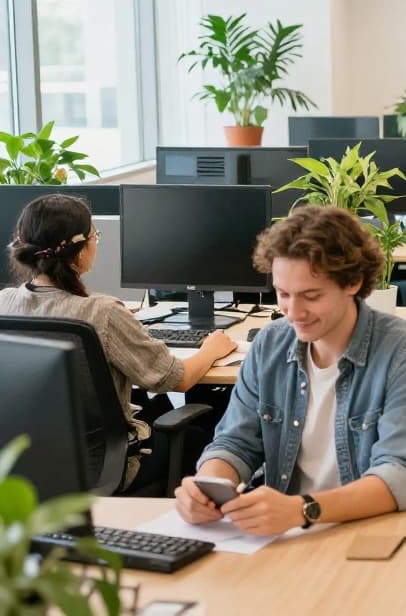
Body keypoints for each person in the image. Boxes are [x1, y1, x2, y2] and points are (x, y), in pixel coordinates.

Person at [174, 205, 406, 538]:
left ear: (353, 282)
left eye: (311, 296)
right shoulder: (270, 345)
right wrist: (207, 486)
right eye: (283, 294)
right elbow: (235, 442)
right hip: (290, 531)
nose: (294, 312)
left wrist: (303, 510)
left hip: (379, 530)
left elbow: (399, 476)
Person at [1, 193, 236, 493]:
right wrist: (210, 349)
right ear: (79, 250)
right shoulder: (104, 312)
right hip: (106, 468)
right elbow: (177, 379)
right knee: (203, 438)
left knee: (153, 406)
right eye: (94, 235)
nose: (96, 241)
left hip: (24, 468)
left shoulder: (3, 304)